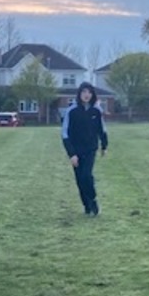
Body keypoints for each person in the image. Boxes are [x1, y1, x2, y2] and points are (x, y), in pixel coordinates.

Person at [61, 81, 108, 216]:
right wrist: (72, 154)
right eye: (84, 92)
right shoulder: (72, 111)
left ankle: (93, 200)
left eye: (89, 92)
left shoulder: (96, 111)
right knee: (80, 179)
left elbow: (102, 129)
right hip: (76, 151)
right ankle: (86, 205)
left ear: (92, 94)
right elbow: (65, 134)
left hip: (90, 149)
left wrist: (104, 146)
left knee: (86, 175)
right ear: (79, 94)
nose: (86, 95)